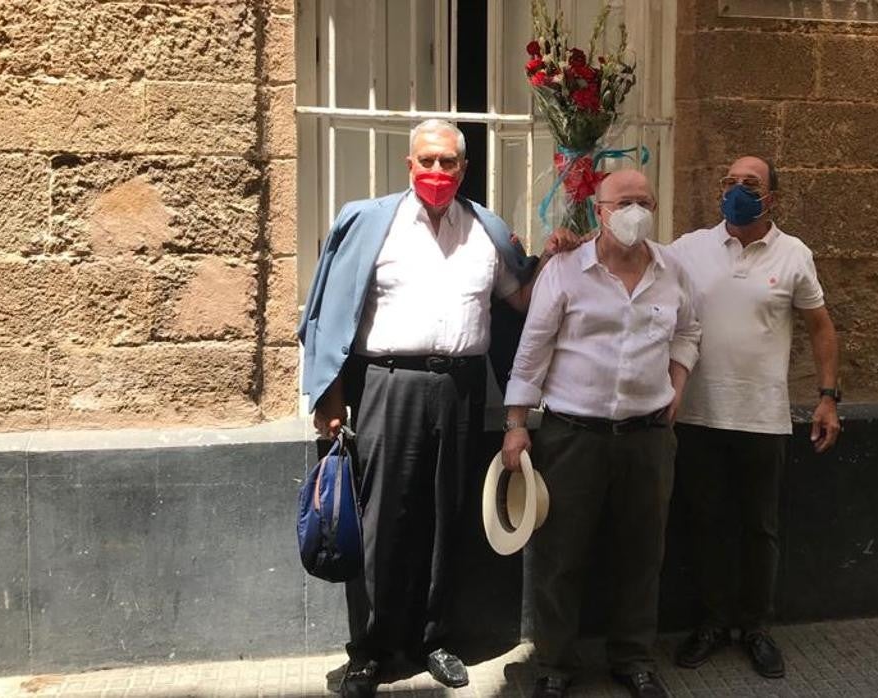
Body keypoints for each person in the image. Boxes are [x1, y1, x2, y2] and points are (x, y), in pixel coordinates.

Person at [297, 119, 574, 698]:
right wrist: (329, 396)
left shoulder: (486, 231)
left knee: (446, 517)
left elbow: (520, 299)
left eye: (448, 162)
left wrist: (551, 257)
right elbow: (329, 308)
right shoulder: (370, 223)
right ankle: (370, 650)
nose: (437, 172)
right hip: (385, 384)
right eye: (427, 161)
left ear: (464, 169)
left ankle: (434, 639)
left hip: (460, 388)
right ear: (409, 164)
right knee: (381, 521)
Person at [501, 170, 701, 698]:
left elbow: (688, 331)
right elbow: (533, 350)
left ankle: (633, 657)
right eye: (623, 201)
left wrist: (677, 383)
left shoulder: (672, 269)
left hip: (648, 436)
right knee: (561, 554)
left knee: (641, 553)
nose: (635, 211)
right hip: (572, 435)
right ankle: (554, 664)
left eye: (644, 201)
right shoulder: (566, 270)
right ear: (599, 211)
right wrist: (517, 425)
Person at [666, 155, 841, 679]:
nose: (737, 191)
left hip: (762, 418)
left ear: (772, 198)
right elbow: (632, 264)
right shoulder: (689, 249)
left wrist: (828, 396)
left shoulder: (793, 255)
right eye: (730, 182)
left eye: (750, 184)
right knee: (706, 524)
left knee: (758, 527)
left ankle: (756, 628)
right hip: (697, 414)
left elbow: (821, 328)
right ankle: (713, 623)